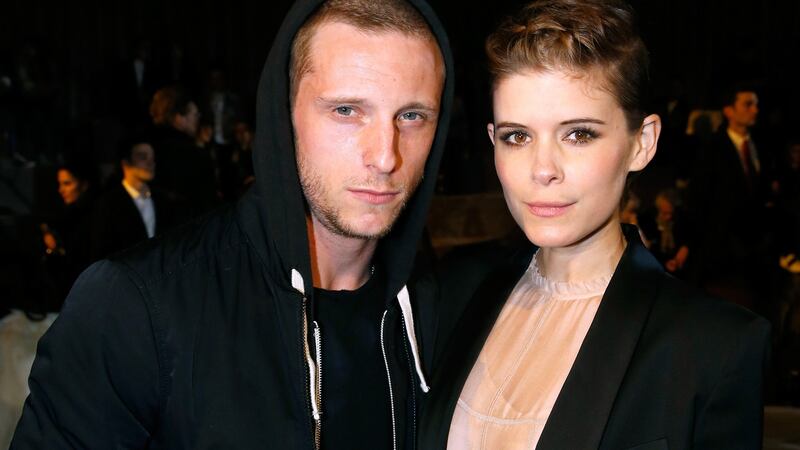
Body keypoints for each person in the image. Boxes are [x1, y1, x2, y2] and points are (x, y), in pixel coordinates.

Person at [11, 0, 453, 448]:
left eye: (412, 116)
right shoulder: (136, 306)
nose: (385, 156)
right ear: (284, 113)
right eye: (346, 110)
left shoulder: (441, 310)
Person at [419, 1, 769, 448]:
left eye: (578, 134)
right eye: (517, 136)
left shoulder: (714, 347)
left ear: (642, 143)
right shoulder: (453, 291)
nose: (542, 169)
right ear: (493, 141)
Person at [90, 138, 172, 261]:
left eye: (152, 157)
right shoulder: (108, 204)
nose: (151, 162)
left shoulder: (163, 200)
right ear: (126, 163)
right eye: (142, 157)